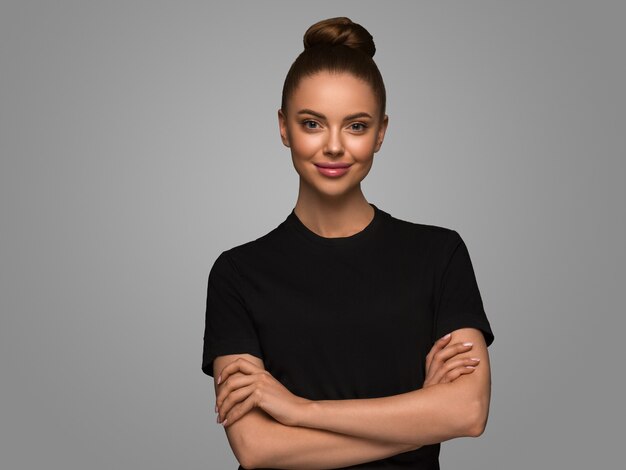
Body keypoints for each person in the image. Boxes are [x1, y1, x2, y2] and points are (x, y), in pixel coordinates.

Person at [202, 16, 494, 470]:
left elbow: (468, 412)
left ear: (381, 132)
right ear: (284, 128)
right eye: (312, 123)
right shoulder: (237, 274)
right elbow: (258, 448)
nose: (334, 146)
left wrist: (301, 411)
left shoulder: (439, 255)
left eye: (356, 126)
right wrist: (421, 416)